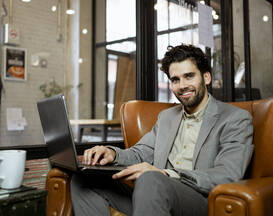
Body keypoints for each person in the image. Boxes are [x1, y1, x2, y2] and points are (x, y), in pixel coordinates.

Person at [71, 44, 254, 216]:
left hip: (200, 201)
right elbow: (141, 152)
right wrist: (112, 153)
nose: (182, 86)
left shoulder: (235, 118)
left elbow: (227, 174)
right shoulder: (167, 118)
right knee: (83, 180)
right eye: (175, 79)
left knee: (151, 179)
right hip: (152, 195)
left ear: (206, 77)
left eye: (189, 76)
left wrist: (166, 174)